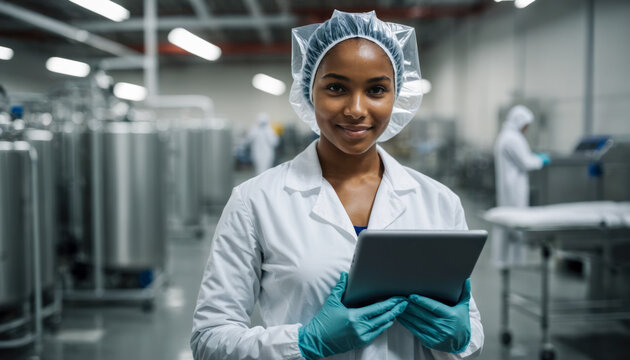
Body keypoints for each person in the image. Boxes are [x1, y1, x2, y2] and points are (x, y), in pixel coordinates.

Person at [191, 10, 484, 359]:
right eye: (336, 88)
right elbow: (209, 339)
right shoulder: (256, 201)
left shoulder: (438, 202)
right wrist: (302, 343)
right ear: (309, 91)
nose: (356, 109)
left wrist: (463, 340)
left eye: (376, 89)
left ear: (397, 95)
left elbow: (469, 325)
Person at [492, 104, 550, 267]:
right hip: (514, 187)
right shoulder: (512, 138)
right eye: (526, 125)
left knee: (508, 223)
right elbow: (525, 162)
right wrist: (540, 160)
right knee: (515, 223)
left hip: (509, 186)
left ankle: (505, 259)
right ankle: (513, 261)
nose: (526, 128)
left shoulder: (507, 136)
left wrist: (533, 157)